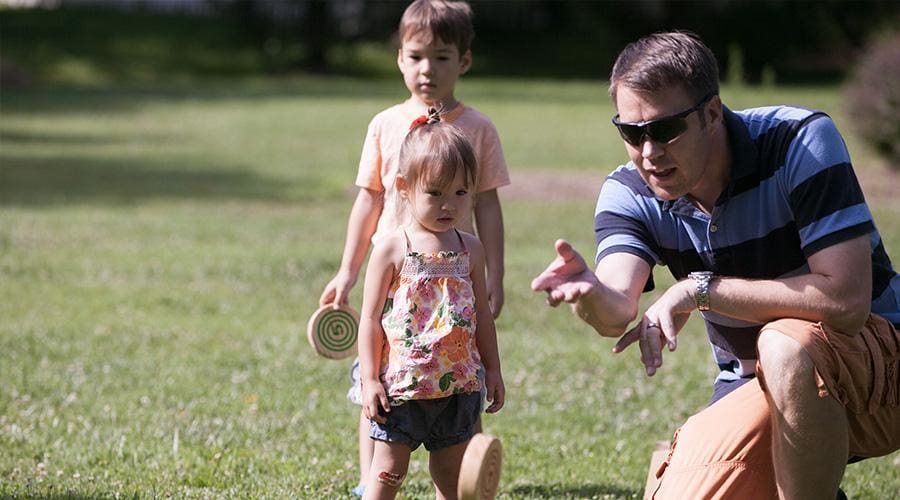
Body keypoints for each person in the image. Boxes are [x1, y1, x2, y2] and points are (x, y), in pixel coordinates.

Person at [531, 31, 900, 499]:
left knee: (785, 344)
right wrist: (589, 295)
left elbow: (846, 301)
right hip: (755, 385)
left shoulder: (798, 143)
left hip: (879, 364)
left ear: (711, 113)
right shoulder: (629, 191)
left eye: (665, 130)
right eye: (631, 133)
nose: (649, 152)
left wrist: (699, 289)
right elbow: (616, 307)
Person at [316, 1, 509, 496]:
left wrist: (496, 276)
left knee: (457, 373)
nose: (428, 69)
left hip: (452, 279)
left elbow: (487, 206)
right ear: (400, 58)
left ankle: (464, 479)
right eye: (417, 56)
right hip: (396, 279)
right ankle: (370, 481)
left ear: (463, 62)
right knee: (375, 383)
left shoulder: (478, 129)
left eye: (442, 57)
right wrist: (347, 272)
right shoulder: (384, 124)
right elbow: (367, 201)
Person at [358, 114, 505, 500]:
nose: (449, 204)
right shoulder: (392, 248)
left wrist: (493, 369)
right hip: (402, 388)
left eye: (460, 193)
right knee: (388, 471)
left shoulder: (470, 248)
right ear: (404, 188)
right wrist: (370, 379)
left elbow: (483, 317)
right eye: (435, 193)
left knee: (451, 478)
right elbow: (370, 319)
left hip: (457, 386)